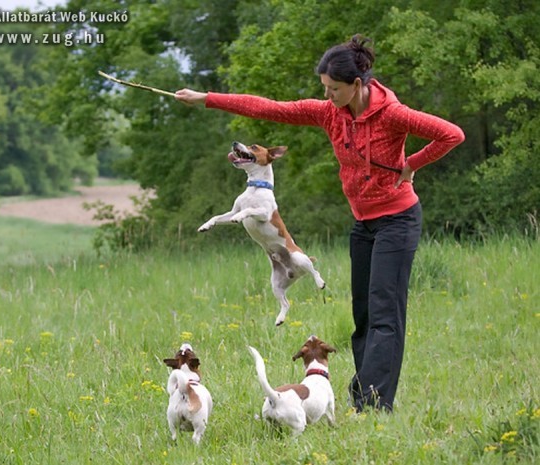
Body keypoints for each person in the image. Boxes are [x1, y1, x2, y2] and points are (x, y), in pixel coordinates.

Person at [175, 34, 465, 412]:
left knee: (384, 315)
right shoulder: (329, 113)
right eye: (324, 88)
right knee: (362, 314)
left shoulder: (392, 114)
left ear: (356, 85)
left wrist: (412, 164)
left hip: (398, 219)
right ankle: (367, 397)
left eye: (334, 89)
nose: (328, 96)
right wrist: (207, 98)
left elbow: (451, 134)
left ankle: (374, 406)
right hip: (363, 223)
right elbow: (268, 108)